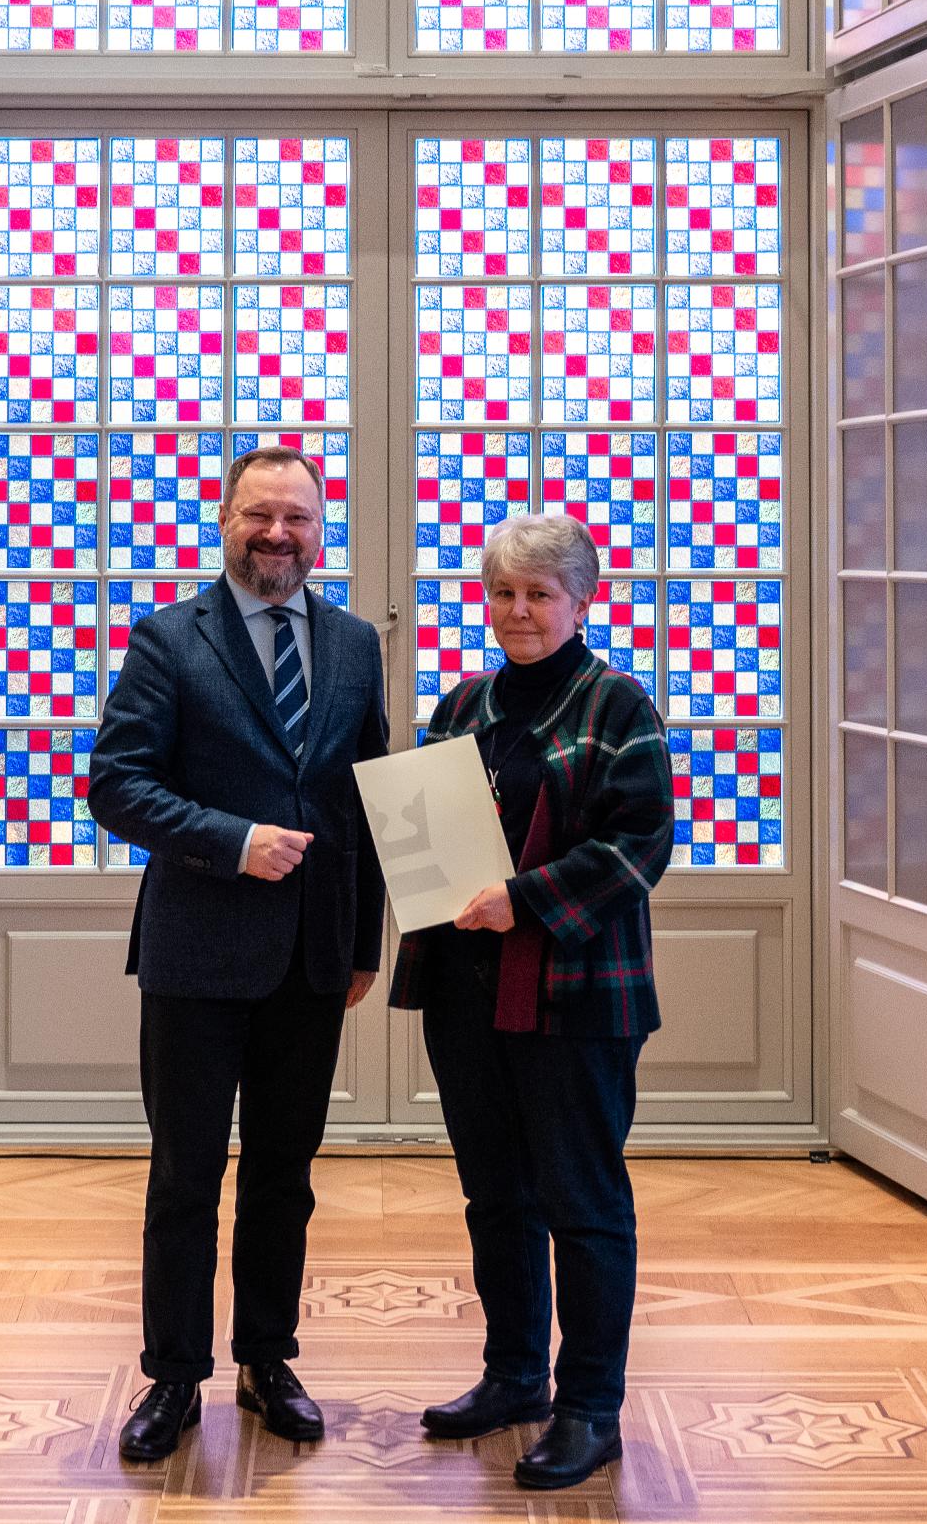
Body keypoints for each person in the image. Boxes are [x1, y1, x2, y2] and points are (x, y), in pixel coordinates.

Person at [86, 445, 388, 1463]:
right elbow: (117, 784)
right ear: (225, 521)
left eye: (296, 517)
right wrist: (232, 839)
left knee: (282, 1175)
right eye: (259, 514)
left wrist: (362, 941)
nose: (277, 534)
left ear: (319, 529)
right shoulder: (169, 638)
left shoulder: (354, 643)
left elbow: (362, 801)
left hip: (311, 958)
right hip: (196, 955)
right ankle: (173, 1373)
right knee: (184, 1176)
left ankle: (267, 1358)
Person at [389, 510, 673, 1491]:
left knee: (582, 1203)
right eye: (503, 591)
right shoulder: (463, 703)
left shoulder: (618, 704)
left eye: (539, 593)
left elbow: (639, 845)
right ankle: (513, 1376)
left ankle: (589, 1407)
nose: (518, 609)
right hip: (465, 994)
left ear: (582, 601)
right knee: (495, 1196)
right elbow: (424, 833)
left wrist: (526, 897)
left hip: (576, 997)